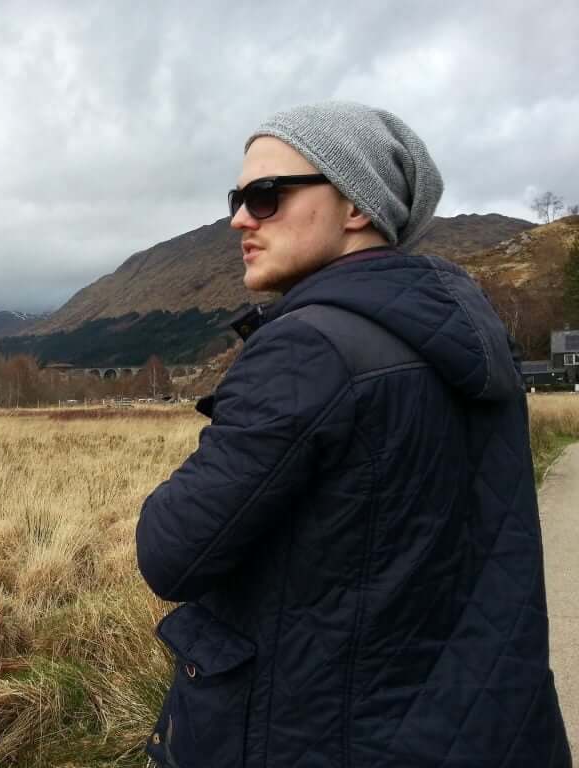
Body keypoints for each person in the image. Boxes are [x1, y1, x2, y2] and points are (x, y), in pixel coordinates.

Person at [135, 101, 571, 767]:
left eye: (266, 195)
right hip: (482, 728)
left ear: (356, 206)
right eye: (238, 197)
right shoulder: (476, 339)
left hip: (323, 734)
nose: (239, 218)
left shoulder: (305, 350)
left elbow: (172, 553)